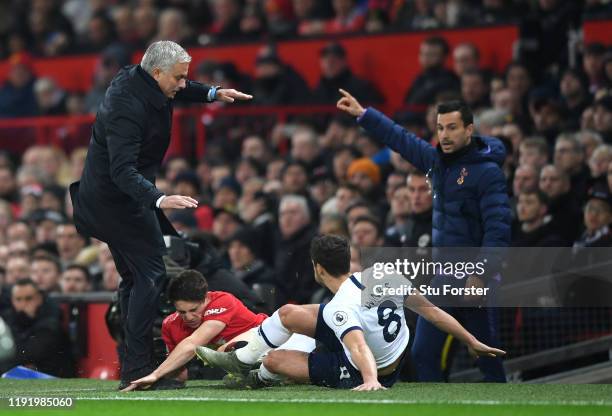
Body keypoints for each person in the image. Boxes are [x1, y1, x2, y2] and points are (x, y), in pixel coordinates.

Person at [69, 40, 252, 390]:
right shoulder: (125, 106)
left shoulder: (142, 79)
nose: (184, 84)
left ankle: (133, 365)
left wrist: (212, 93)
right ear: (156, 73)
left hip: (118, 198)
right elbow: (122, 171)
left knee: (137, 277)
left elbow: (177, 88)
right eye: (179, 77)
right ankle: (138, 368)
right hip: (116, 201)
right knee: (150, 275)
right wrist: (158, 198)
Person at [337, 90, 511, 382]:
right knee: (423, 354)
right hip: (443, 276)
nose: (444, 134)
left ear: (469, 130)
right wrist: (363, 114)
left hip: (474, 277)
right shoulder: (438, 162)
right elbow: (402, 139)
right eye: (440, 127)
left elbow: (498, 229)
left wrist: (480, 274)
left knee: (486, 354)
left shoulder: (488, 173)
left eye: (452, 127)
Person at [195, 235, 505, 390]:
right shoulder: (383, 274)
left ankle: (255, 378)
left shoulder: (340, 307)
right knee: (288, 312)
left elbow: (356, 345)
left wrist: (370, 380)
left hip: (372, 367)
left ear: (317, 269)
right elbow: (433, 313)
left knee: (275, 360)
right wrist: (471, 340)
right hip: (378, 342)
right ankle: (242, 359)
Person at [124, 269, 314, 391]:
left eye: (194, 310)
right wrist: (158, 378)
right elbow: (180, 376)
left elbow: (192, 345)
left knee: (231, 350)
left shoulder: (223, 301)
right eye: (182, 312)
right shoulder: (170, 325)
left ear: (206, 298)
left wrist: (155, 373)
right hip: (260, 362)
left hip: (288, 342)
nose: (188, 317)